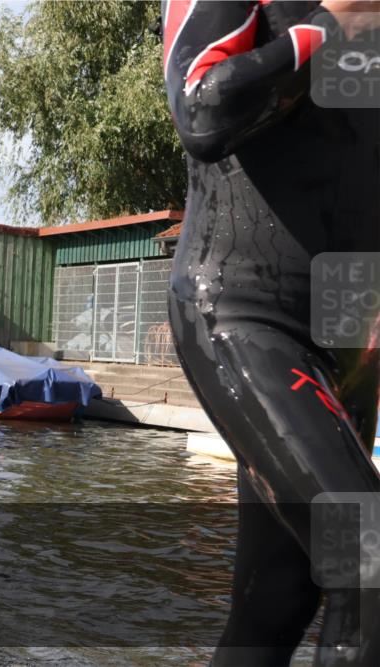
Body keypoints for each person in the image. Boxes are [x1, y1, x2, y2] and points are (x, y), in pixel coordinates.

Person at [162, 1, 380, 665]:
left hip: (352, 329)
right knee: (367, 556)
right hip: (244, 307)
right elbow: (200, 111)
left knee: (276, 601)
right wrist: (328, 25)